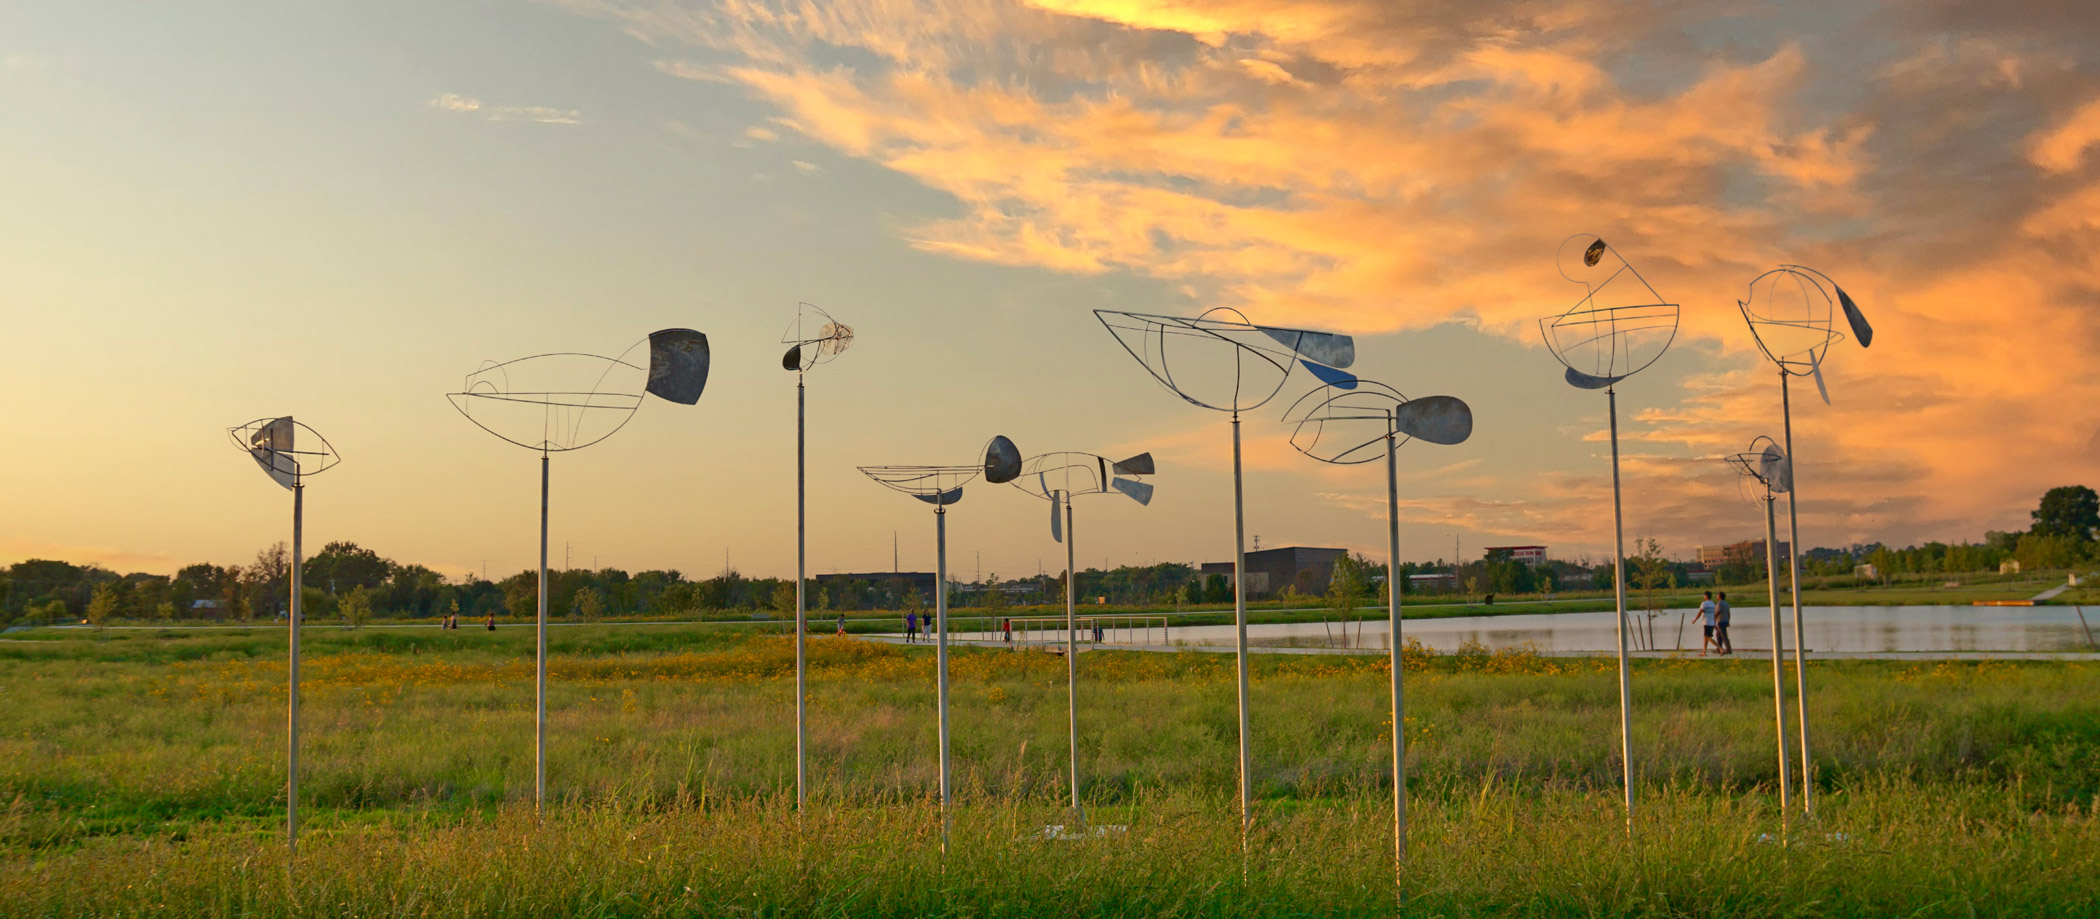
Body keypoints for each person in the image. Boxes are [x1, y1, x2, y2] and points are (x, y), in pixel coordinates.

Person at [1697, 591, 1717, 656]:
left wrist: (1695, 619)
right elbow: (1715, 614)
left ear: (1706, 596)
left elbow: (1700, 612)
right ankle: (1704, 652)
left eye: (1704, 595)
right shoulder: (1713, 604)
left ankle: (1720, 648)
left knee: (1707, 637)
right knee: (1705, 637)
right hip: (1712, 623)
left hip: (1707, 622)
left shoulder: (1704, 603)